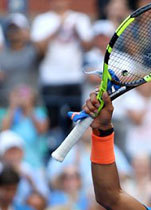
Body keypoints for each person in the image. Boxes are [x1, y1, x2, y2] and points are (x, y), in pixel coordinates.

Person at [30, 0, 92, 131]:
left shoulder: (80, 19)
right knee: (52, 124)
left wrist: (77, 32)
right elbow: (39, 49)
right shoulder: (42, 20)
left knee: (75, 124)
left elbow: (89, 47)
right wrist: (57, 28)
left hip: (74, 78)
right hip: (50, 78)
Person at [0, 84, 49, 169]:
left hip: (34, 164)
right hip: (11, 164)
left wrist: (29, 109)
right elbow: (3, 131)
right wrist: (12, 106)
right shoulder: (8, 113)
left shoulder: (39, 112)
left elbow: (41, 131)